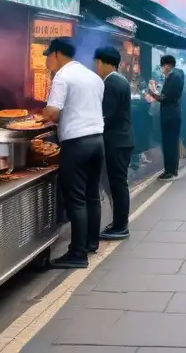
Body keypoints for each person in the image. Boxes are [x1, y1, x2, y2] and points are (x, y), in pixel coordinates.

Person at [41, 38, 104, 269]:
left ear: (56, 54)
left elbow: (52, 113)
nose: (47, 60)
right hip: (97, 141)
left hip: (77, 143)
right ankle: (90, 243)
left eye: (48, 55)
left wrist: (41, 114)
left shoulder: (63, 76)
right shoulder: (93, 77)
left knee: (75, 199)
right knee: (91, 195)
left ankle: (77, 254)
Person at [94, 46, 133, 241]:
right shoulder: (121, 80)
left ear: (101, 62)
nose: (96, 67)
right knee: (118, 183)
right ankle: (119, 223)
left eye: (96, 63)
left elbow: (105, 116)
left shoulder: (111, 83)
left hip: (116, 141)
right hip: (122, 140)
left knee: (117, 184)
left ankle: (120, 225)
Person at [147, 54, 184, 180]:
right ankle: (173, 169)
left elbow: (163, 98)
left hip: (169, 115)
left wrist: (151, 91)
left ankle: (169, 170)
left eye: (162, 66)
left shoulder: (173, 78)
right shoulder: (179, 74)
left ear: (167, 66)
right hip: (175, 113)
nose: (162, 69)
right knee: (172, 142)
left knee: (168, 143)